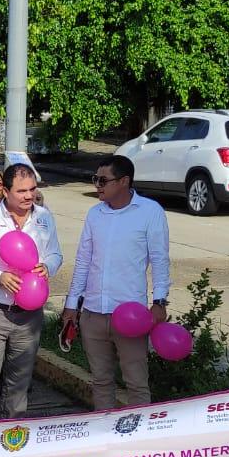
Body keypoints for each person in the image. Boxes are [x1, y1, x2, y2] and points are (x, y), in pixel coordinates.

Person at [60, 155, 170, 410]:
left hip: (130, 316)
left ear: (123, 181)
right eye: (95, 179)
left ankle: (137, 441)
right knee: (100, 381)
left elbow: (160, 260)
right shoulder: (94, 214)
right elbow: (83, 262)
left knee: (136, 382)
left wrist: (160, 301)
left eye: (103, 180)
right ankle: (105, 437)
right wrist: (71, 304)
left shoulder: (150, 211)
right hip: (93, 313)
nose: (97, 185)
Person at [0, 163, 64, 420]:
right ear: (5, 191)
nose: (29, 196)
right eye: (21, 191)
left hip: (29, 314)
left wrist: (47, 266)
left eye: (32, 189)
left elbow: (55, 253)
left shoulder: (43, 218)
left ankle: (12, 435)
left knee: (20, 379)